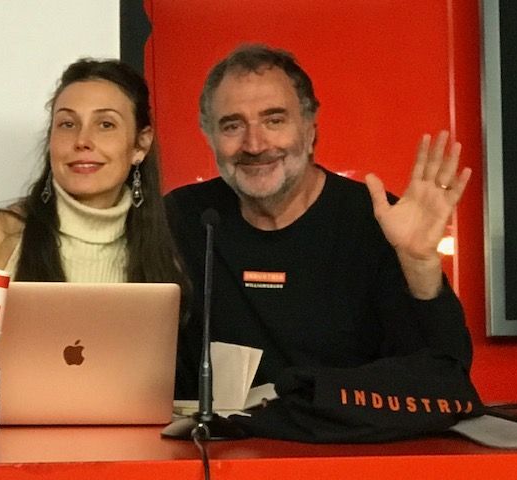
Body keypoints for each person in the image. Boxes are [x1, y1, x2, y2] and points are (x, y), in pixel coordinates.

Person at [165, 44, 474, 405]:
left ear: (310, 128)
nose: (254, 144)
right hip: (218, 440)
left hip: (347, 438)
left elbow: (443, 375)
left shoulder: (378, 221)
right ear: (209, 136)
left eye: (274, 120)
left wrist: (419, 264)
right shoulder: (182, 218)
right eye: (232, 125)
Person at [0, 58, 186, 407]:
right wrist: (1, 401)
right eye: (67, 124)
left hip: (131, 442)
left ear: (140, 145)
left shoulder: (168, 248)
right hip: (5, 442)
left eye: (105, 124)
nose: (82, 141)